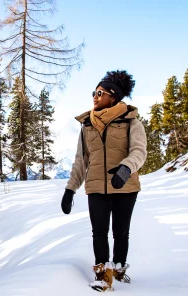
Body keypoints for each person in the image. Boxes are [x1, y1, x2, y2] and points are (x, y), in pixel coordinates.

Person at [60, 70, 147, 292]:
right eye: (94, 92)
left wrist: (126, 169)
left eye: (100, 92)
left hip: (125, 186)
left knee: (121, 232)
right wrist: (70, 189)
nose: (95, 96)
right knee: (99, 231)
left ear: (113, 96)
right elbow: (81, 160)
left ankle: (118, 270)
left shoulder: (131, 121)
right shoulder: (87, 124)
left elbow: (139, 151)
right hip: (96, 186)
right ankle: (102, 275)